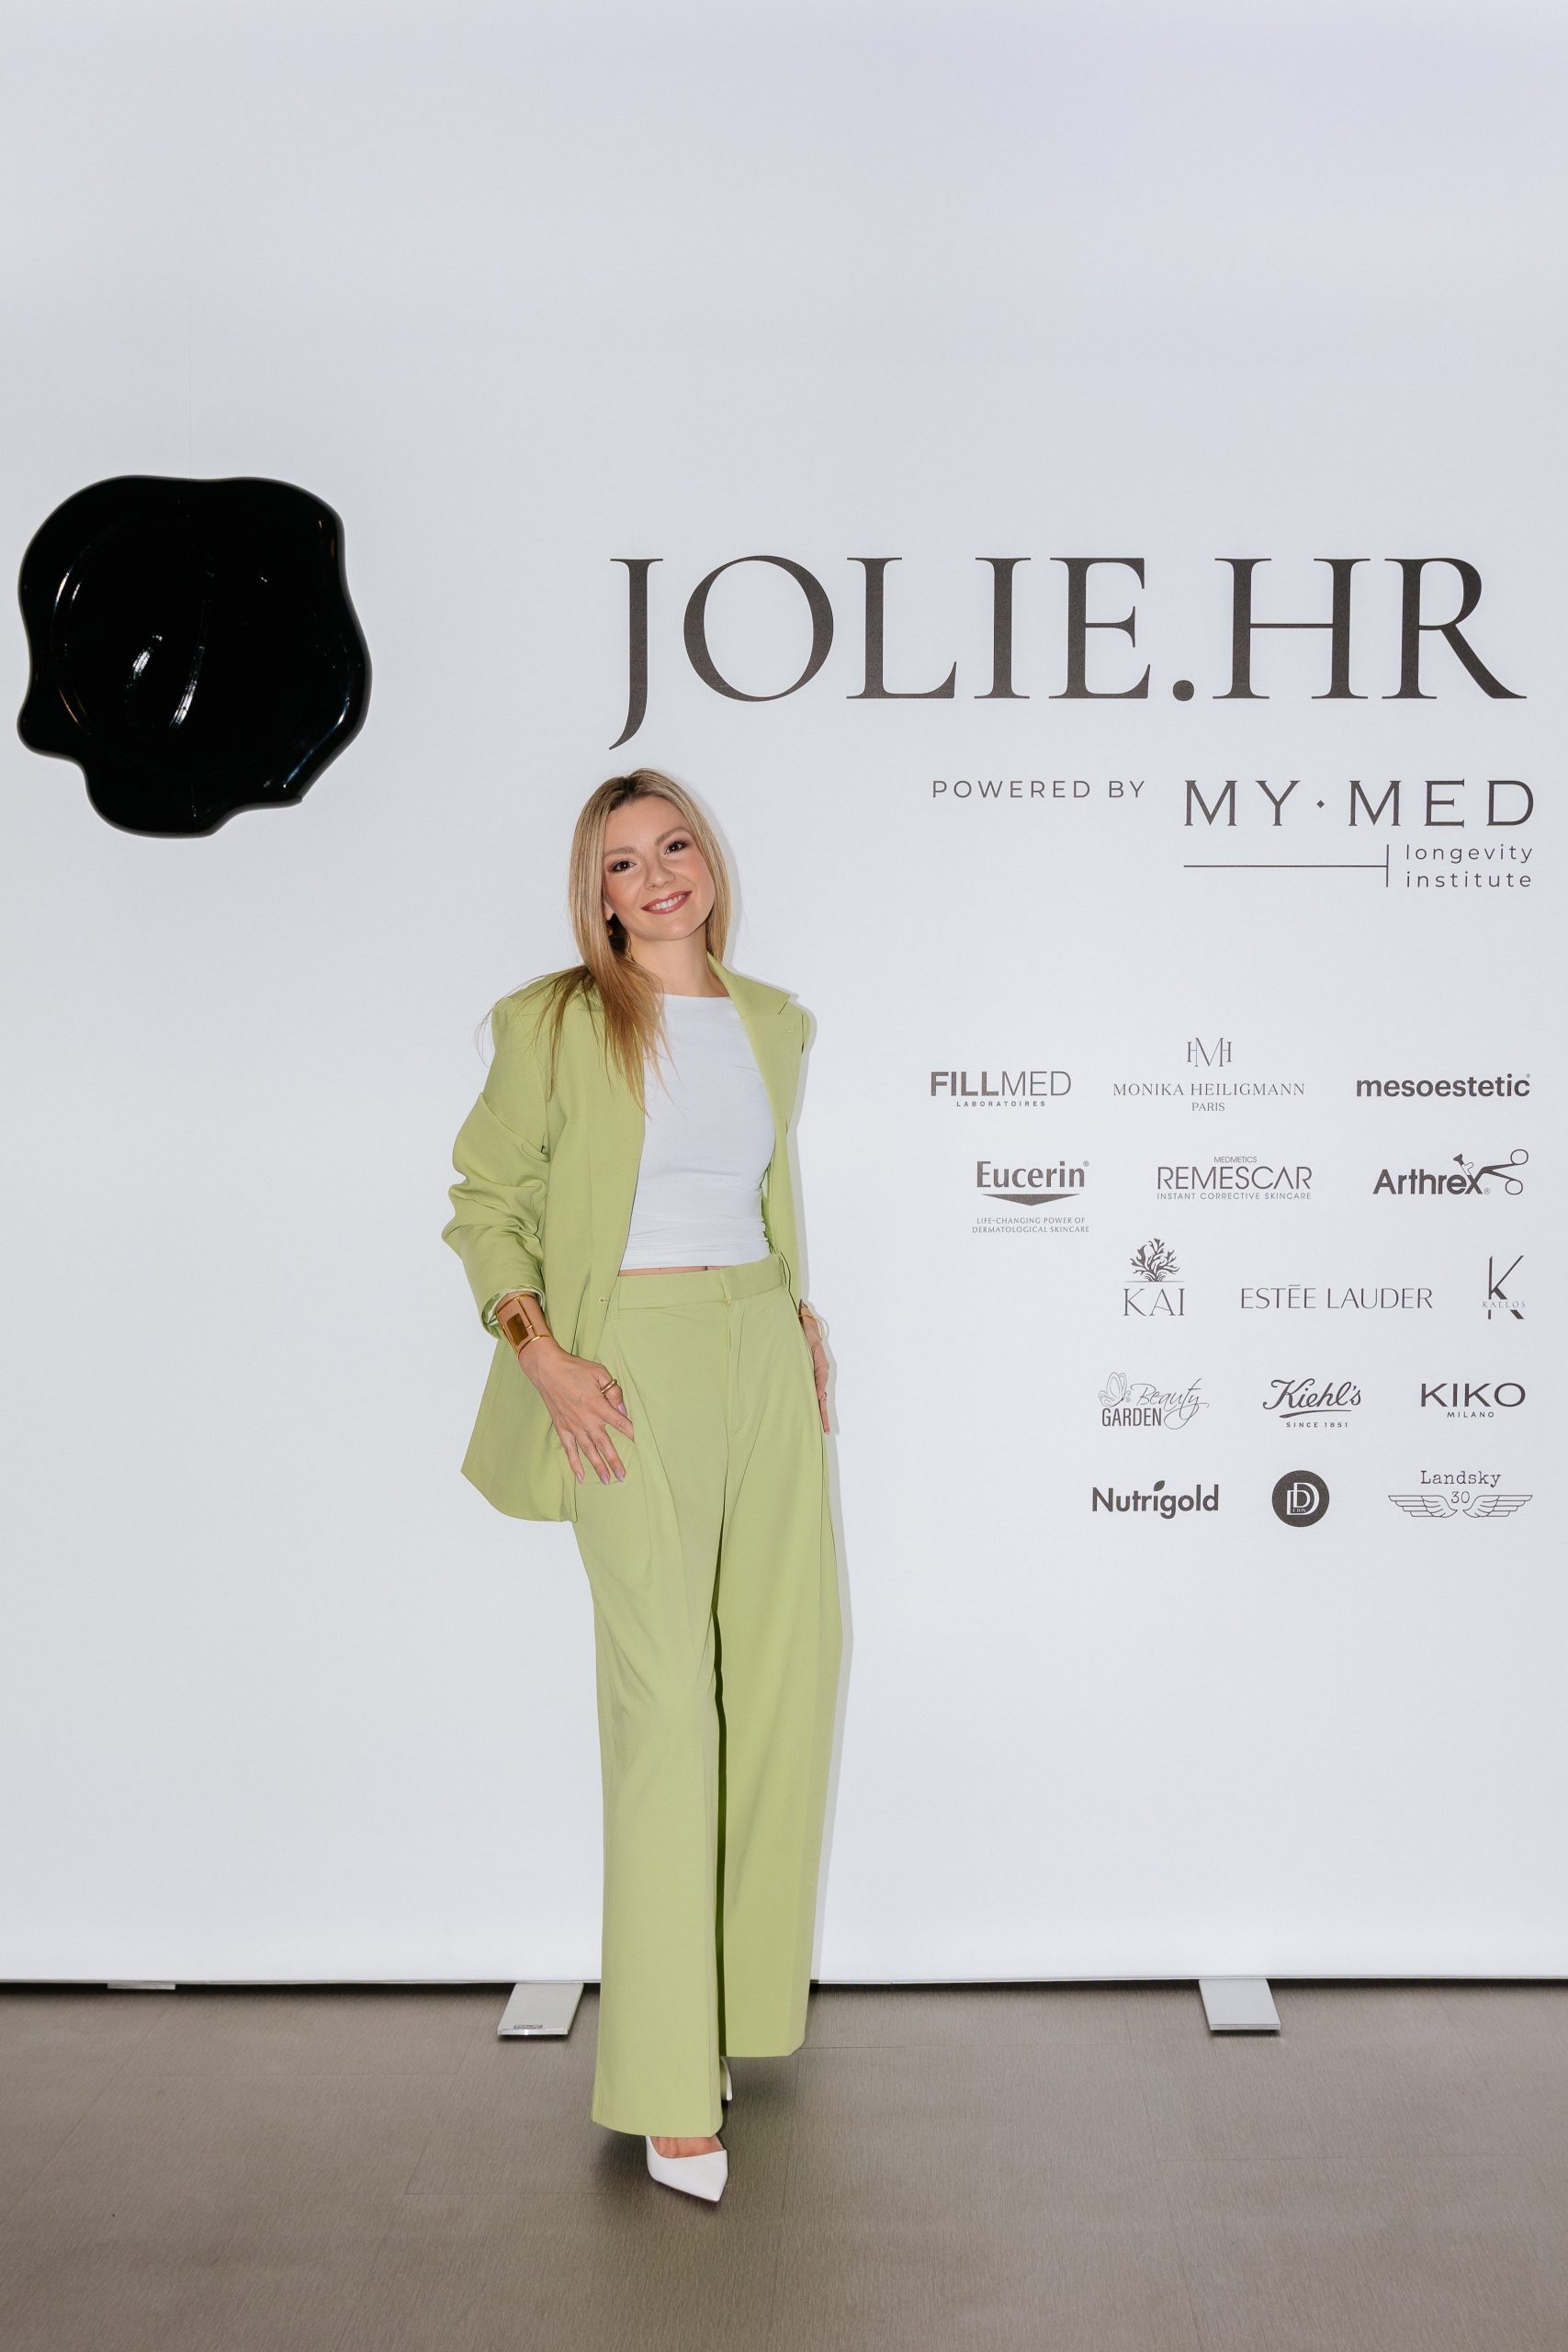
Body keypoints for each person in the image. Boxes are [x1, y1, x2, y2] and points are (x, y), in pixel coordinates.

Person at [441, 767, 842, 2203]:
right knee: (669, 1705)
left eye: (676, 845)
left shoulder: (773, 1019)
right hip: (624, 1363)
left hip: (760, 1344)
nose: (659, 873)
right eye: (624, 860)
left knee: (787, 1676)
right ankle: (668, 2088)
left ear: (708, 862)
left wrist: (795, 1315)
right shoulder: (551, 1022)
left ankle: (721, 2015)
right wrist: (542, 1352)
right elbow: (486, 1205)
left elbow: (753, 1194)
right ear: (596, 892)